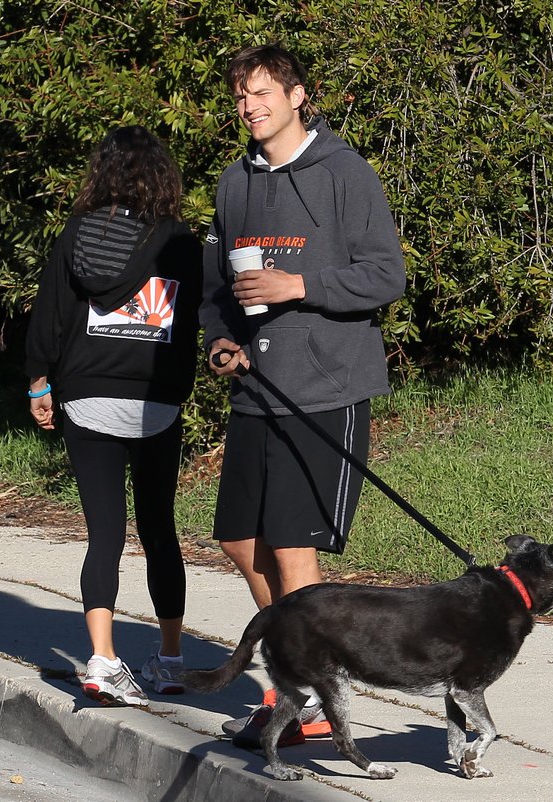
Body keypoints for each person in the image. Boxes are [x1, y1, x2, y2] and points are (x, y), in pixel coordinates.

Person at [199, 44, 406, 746]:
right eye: (240, 96)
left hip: (326, 387)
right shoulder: (235, 182)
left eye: (262, 92)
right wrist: (219, 341)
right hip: (256, 385)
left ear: (297, 95)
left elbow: (385, 276)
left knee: (292, 550)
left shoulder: (345, 173)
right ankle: (309, 670)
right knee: (238, 539)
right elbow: (215, 290)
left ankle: (308, 697)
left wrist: (300, 287)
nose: (250, 106)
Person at [25, 125, 202, 707]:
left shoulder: (78, 234)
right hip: (156, 401)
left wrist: (38, 382)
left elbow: (51, 312)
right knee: (159, 530)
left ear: (101, 174)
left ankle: (101, 660)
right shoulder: (180, 243)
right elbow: (193, 324)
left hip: (88, 397)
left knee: (104, 533)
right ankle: (171, 660)